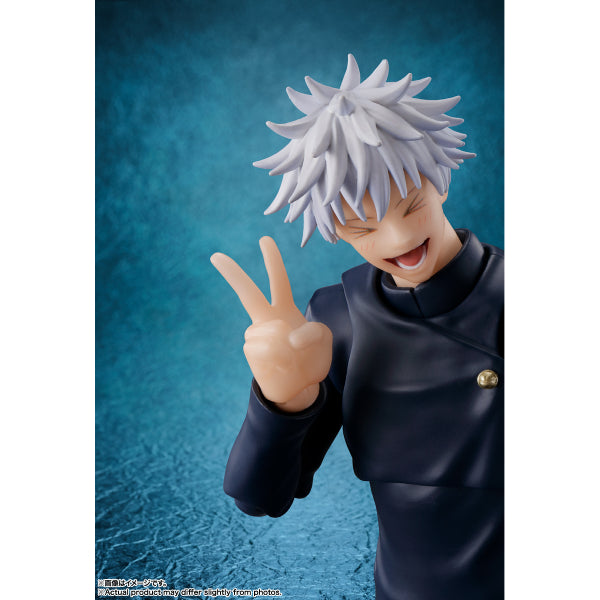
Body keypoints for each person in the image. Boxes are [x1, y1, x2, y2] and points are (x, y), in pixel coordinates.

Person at [211, 54, 503, 600]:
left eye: (411, 205)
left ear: (440, 181)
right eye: (362, 227)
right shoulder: (339, 318)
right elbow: (261, 498)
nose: (398, 240)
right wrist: (283, 401)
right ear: (334, 230)